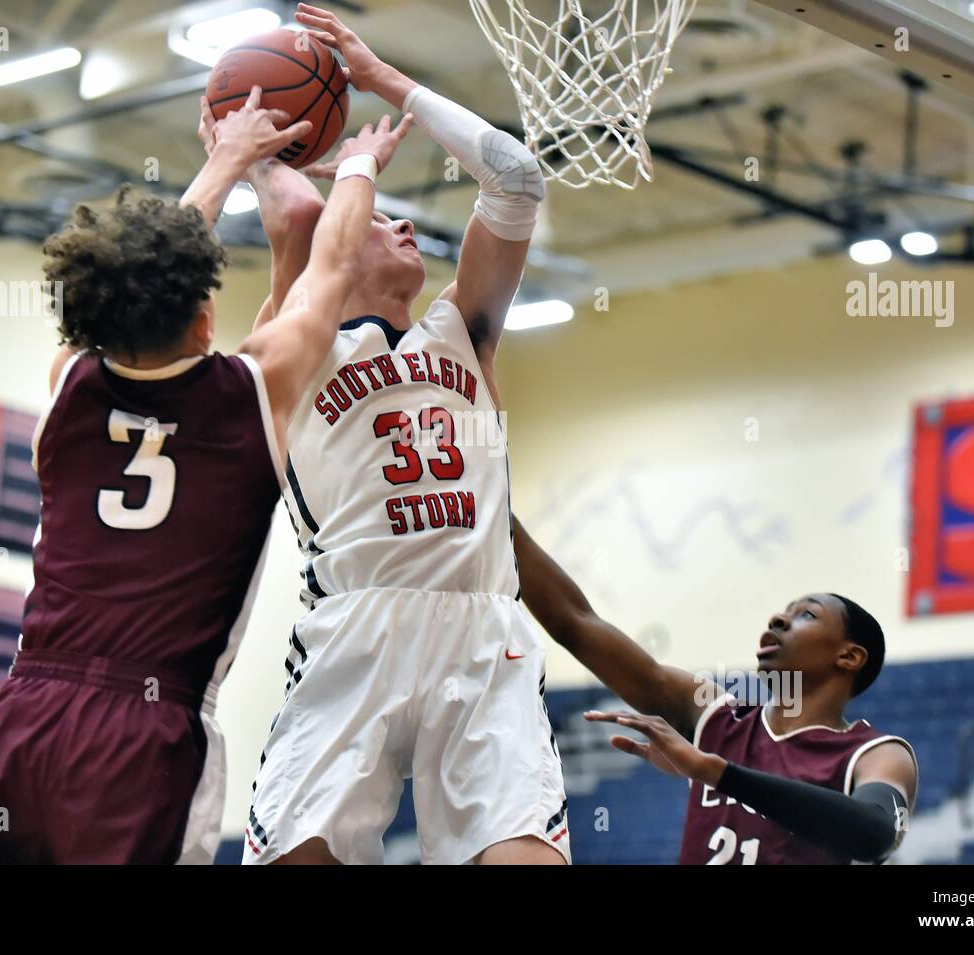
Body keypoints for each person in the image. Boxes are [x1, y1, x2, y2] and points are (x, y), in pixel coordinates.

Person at [0, 90, 410, 864]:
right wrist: (359, 163)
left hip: (21, 714)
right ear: (202, 317)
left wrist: (225, 160)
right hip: (145, 731)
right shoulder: (253, 390)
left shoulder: (70, 384)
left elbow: (133, 280)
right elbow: (333, 266)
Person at [224, 4, 566, 865]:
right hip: (354, 631)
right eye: (383, 220)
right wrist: (253, 146)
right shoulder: (296, 345)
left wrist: (383, 81)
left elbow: (518, 179)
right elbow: (301, 219)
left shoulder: (464, 332)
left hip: (485, 633)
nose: (406, 227)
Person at [512, 517, 918, 864]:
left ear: (849, 657)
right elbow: (576, 623)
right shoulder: (716, 718)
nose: (777, 618)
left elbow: (877, 833)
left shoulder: (876, 753)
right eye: (783, 610)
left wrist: (717, 773)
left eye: (806, 614)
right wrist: (499, 518)